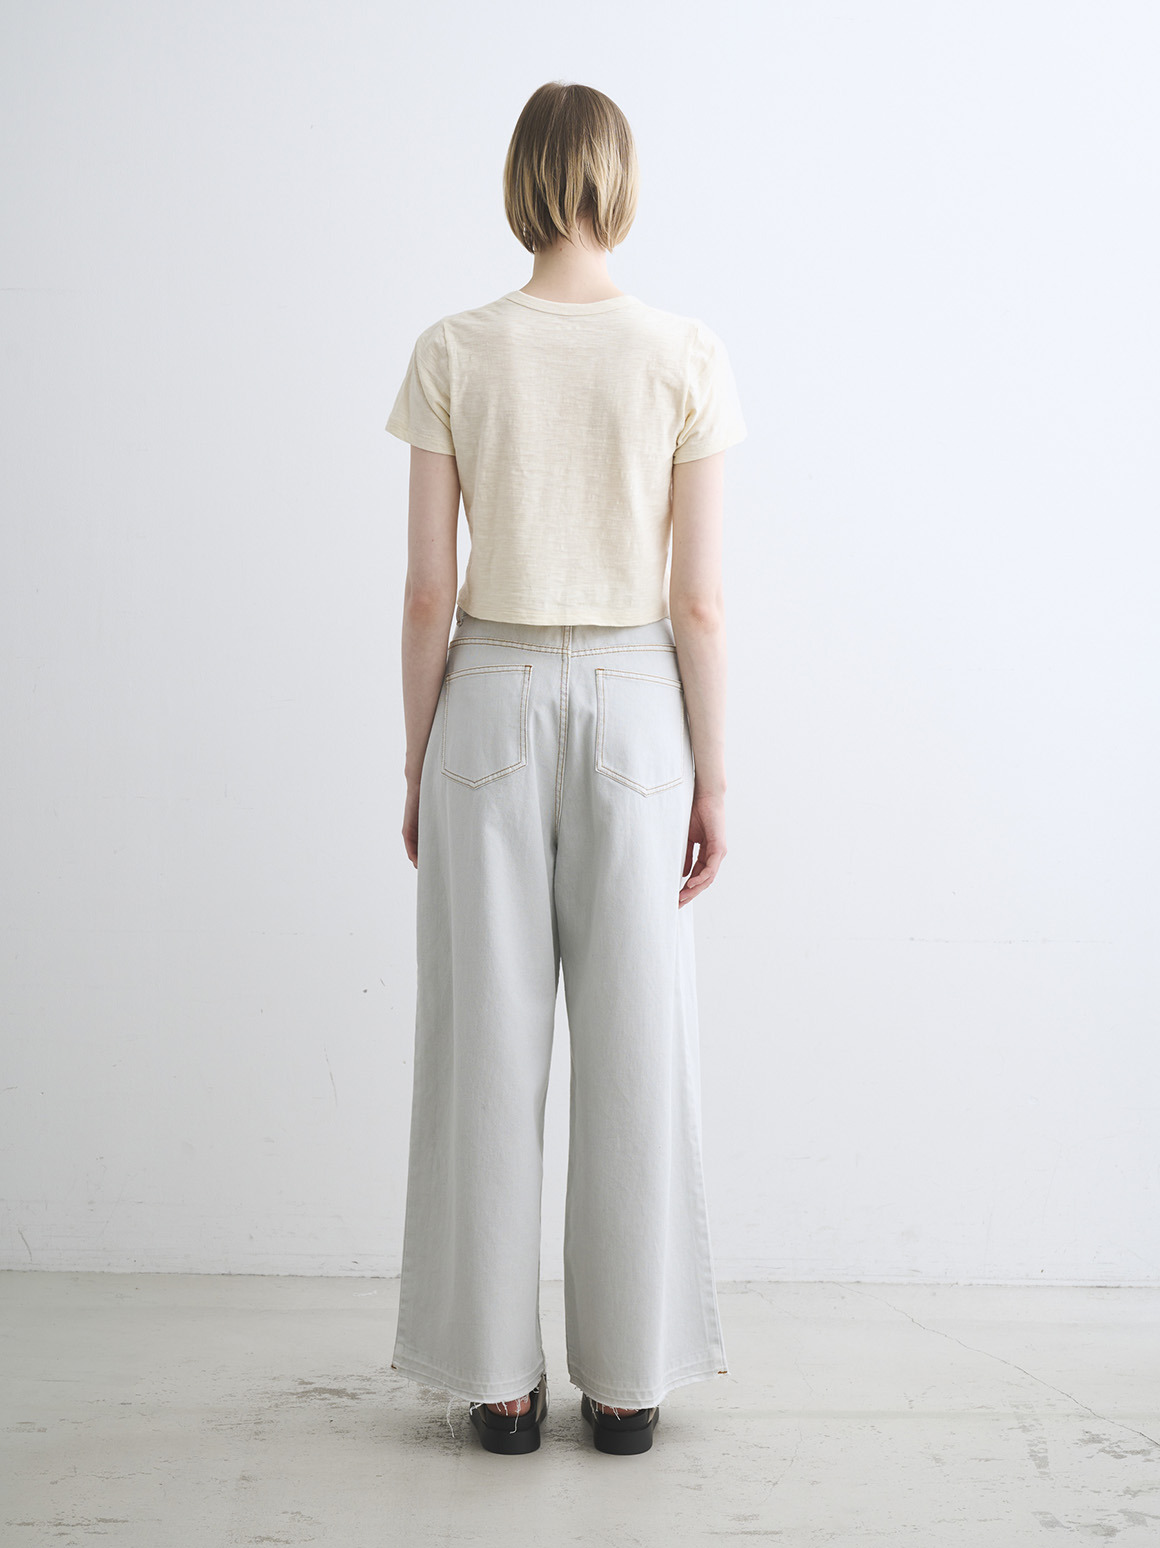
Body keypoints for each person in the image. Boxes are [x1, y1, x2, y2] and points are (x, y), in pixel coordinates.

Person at [383, 80, 747, 1457]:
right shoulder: (685, 353)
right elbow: (699, 601)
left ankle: (497, 1384)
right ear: (620, 181)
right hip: (638, 709)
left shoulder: (455, 349)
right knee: (638, 1040)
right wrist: (715, 779)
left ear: (521, 182)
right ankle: (632, 1382)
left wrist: (417, 758)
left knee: (484, 1038)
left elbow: (430, 591)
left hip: (487, 697)